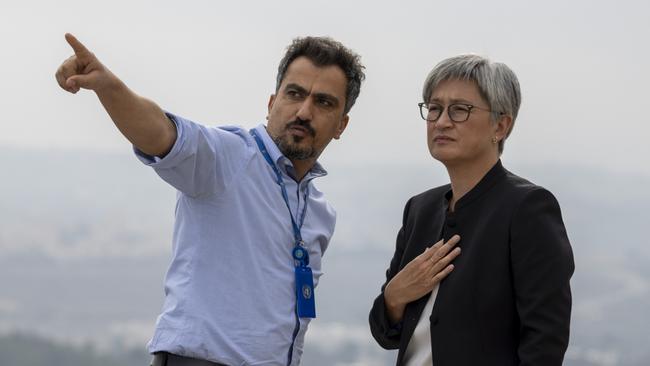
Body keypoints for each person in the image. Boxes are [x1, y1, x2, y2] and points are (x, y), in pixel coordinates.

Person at [55, 33, 364, 366]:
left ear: (341, 125)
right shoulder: (228, 157)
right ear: (272, 102)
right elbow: (160, 133)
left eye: (324, 102)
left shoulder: (319, 213)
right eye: (295, 94)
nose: (304, 111)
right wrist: (106, 85)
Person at [368, 54, 574, 366]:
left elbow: (545, 343)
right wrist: (395, 296)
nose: (441, 121)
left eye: (460, 110)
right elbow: (386, 334)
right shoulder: (419, 209)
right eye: (434, 108)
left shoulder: (527, 209)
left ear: (501, 125)